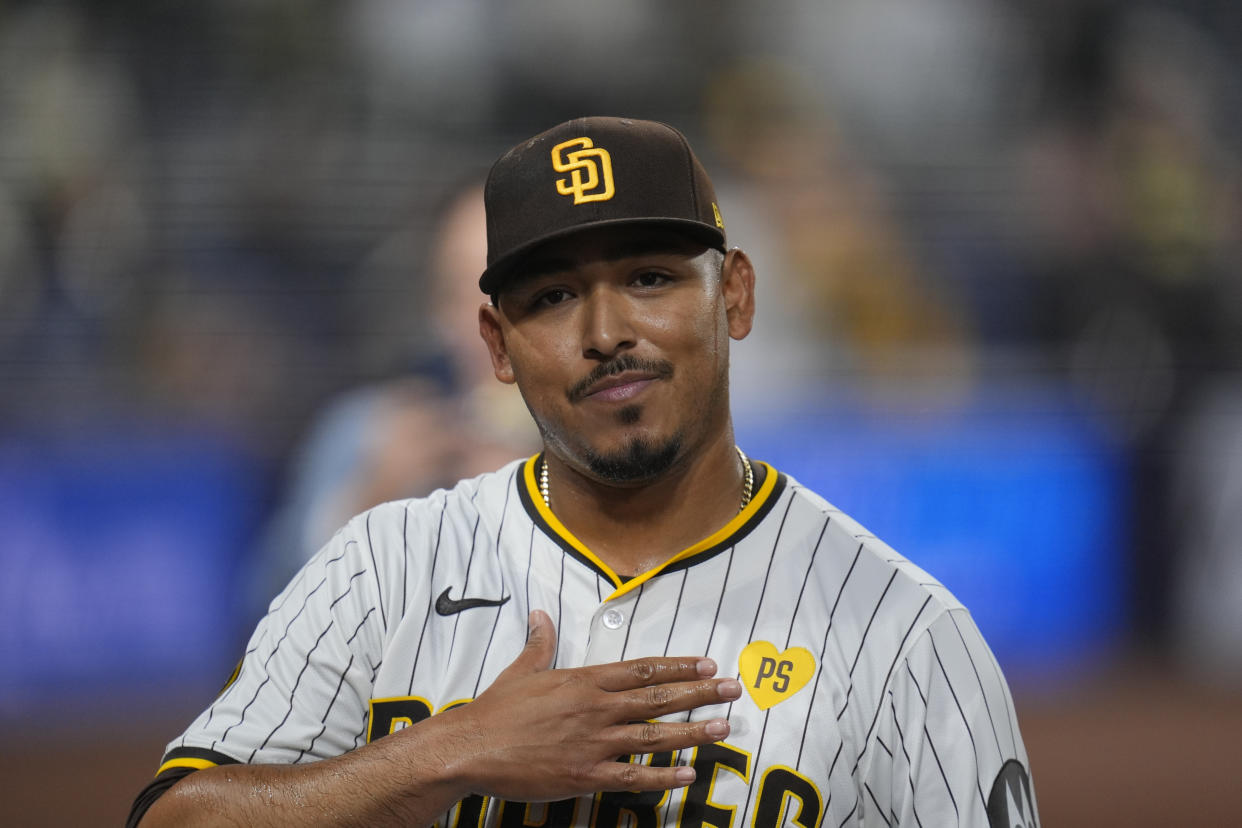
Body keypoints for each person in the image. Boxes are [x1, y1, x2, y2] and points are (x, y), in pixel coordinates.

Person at [128, 116, 1039, 827]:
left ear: (738, 297)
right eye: (553, 296)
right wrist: (450, 751)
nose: (606, 333)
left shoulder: (908, 638)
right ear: (497, 345)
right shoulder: (382, 568)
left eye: (649, 277)